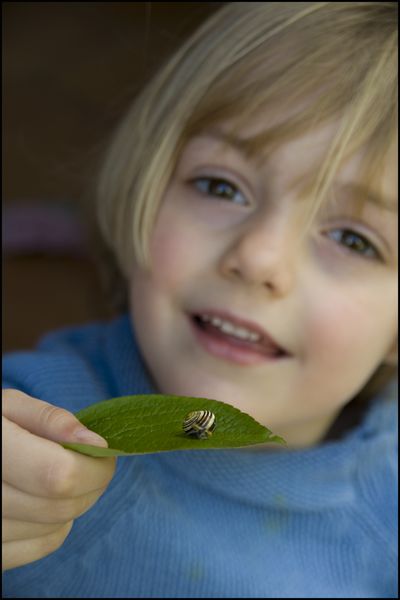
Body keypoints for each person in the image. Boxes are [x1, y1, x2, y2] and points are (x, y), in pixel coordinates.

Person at [2, 2, 398, 597]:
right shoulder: (34, 432)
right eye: (220, 186)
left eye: (353, 239)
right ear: (146, 183)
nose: (259, 257)